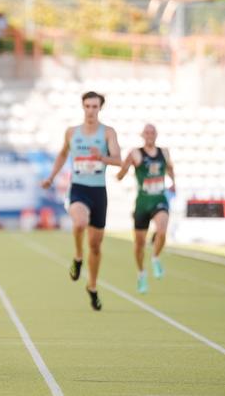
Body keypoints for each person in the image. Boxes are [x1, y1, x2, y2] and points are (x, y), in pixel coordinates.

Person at [41, 92, 121, 311]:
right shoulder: (72, 132)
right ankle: (77, 256)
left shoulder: (108, 133)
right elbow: (62, 155)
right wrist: (51, 177)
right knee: (79, 223)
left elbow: (118, 160)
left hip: (98, 192)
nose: (91, 110)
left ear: (100, 108)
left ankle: (92, 287)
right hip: (78, 189)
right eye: (87, 106)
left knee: (95, 245)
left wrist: (101, 157)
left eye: (95, 106)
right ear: (82, 107)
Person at [116, 124, 175, 294]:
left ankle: (155, 257)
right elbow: (122, 172)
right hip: (142, 202)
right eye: (147, 132)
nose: (150, 135)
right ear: (142, 135)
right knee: (139, 243)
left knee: (162, 230)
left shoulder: (164, 152)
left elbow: (170, 168)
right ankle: (141, 273)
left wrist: (173, 182)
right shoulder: (136, 153)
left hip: (159, 199)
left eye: (152, 132)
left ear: (156, 134)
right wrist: (122, 172)